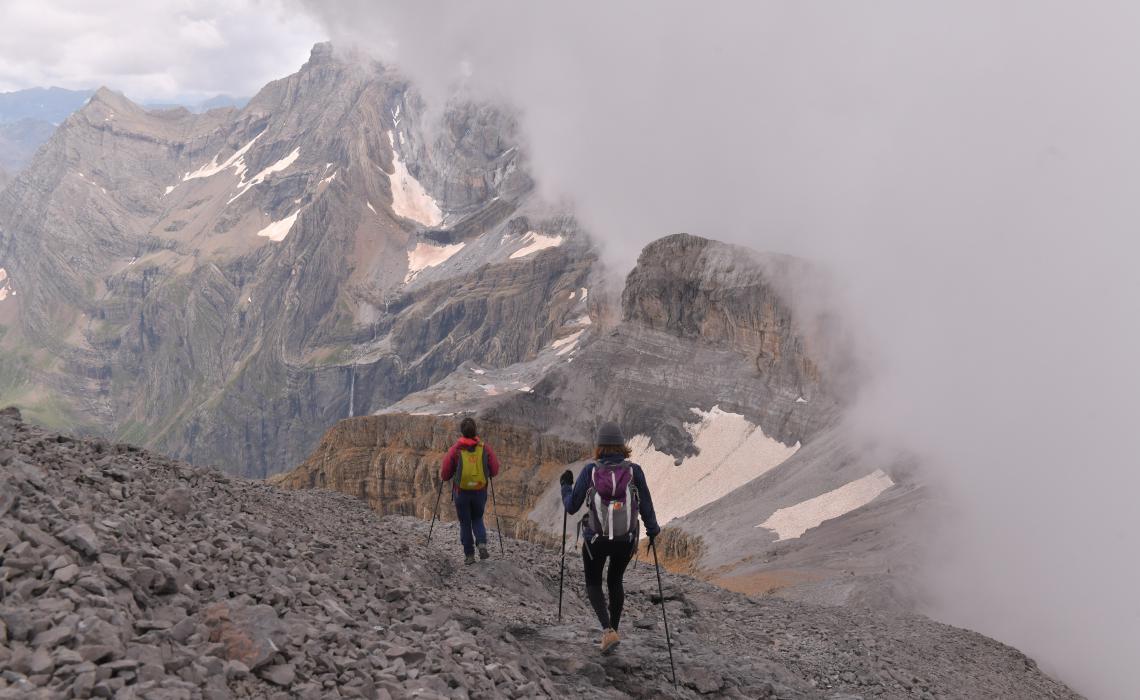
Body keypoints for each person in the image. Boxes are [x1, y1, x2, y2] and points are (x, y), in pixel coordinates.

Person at [561, 421, 660, 654]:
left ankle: (608, 631)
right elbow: (646, 504)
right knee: (615, 581)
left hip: (596, 539)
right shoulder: (634, 471)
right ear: (622, 445)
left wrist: (565, 485)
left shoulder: (591, 471)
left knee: (594, 583)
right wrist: (653, 530)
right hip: (626, 539)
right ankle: (614, 629)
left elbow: (572, 507)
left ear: (600, 446)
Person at [441, 416, 501, 565]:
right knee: (477, 518)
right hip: (480, 491)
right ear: (475, 431)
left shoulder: (455, 449)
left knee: (465, 523)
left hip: (461, 492)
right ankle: (481, 543)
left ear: (462, 432)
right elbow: (494, 470)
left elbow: (445, 474)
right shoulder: (484, 448)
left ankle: (469, 556)